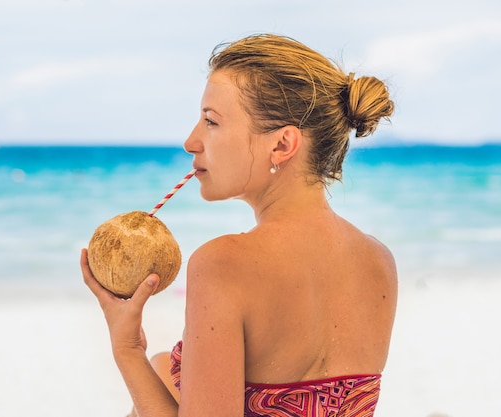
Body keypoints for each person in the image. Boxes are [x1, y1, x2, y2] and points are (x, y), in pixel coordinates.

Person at [81, 33, 397, 417]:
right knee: (166, 367)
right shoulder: (378, 260)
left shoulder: (223, 264)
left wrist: (127, 349)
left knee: (161, 368)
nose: (190, 142)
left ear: (282, 145)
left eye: (211, 122)